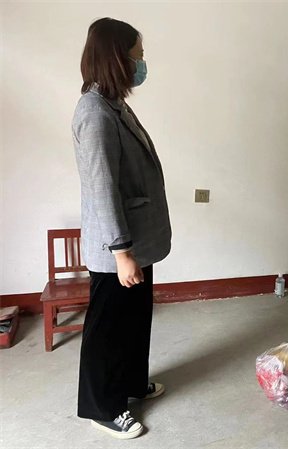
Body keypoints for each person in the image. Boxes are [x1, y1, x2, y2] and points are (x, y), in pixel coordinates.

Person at [72, 17, 172, 439]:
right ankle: (103, 407)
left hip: (135, 240)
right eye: (137, 55)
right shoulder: (95, 113)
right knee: (108, 329)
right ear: (117, 58)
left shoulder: (113, 103)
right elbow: (102, 188)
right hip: (118, 247)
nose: (142, 63)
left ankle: (130, 383)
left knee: (134, 319)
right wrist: (122, 252)